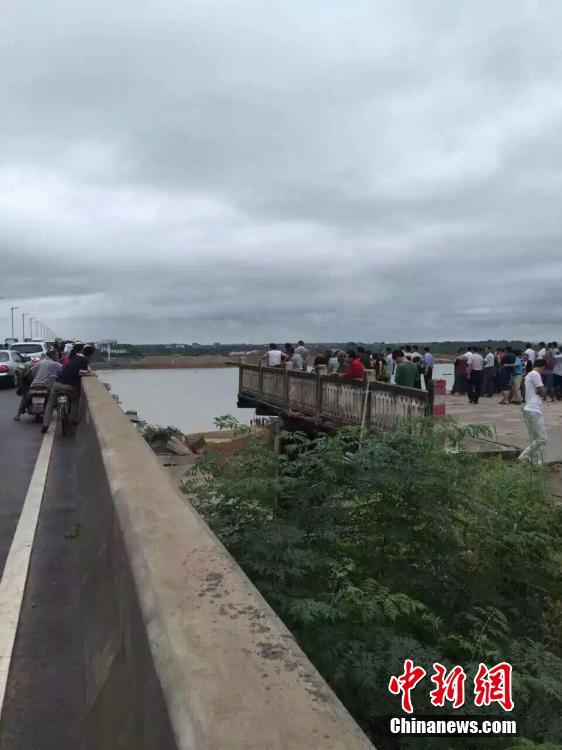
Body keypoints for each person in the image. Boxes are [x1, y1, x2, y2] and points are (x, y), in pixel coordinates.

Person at [42, 344, 95, 433]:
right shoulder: (84, 360)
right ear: (90, 355)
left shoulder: (71, 356)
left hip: (58, 383)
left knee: (50, 404)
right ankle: (72, 420)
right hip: (70, 386)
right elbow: (81, 372)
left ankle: (45, 425)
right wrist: (91, 374)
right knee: (74, 401)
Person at [15, 350, 62, 420]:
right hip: (48, 387)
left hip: (35, 385)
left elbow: (30, 373)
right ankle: (60, 415)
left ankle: (18, 415)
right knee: (55, 399)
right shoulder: (57, 364)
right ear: (53, 356)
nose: (58, 357)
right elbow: (64, 372)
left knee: (25, 397)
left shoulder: (40, 363)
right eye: (57, 355)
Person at [518, 359, 548, 465]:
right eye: (544, 369)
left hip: (529, 408)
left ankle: (535, 462)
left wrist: (541, 391)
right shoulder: (535, 374)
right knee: (542, 438)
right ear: (542, 367)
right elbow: (543, 391)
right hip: (533, 409)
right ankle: (523, 456)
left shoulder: (529, 375)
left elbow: (540, 391)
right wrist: (543, 391)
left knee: (535, 439)